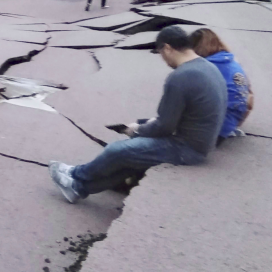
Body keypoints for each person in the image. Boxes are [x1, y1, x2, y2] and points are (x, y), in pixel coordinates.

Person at [49, 26, 227, 204]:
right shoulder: (208, 67)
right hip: (202, 143)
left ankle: (75, 175)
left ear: (167, 48)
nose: (164, 60)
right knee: (130, 160)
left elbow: (164, 126)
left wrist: (137, 130)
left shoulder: (181, 77)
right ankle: (78, 188)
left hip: (186, 149)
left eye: (161, 54)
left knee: (118, 150)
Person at [189, 28, 253, 140]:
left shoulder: (208, 65)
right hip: (234, 119)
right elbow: (250, 96)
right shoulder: (232, 61)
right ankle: (229, 127)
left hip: (213, 127)